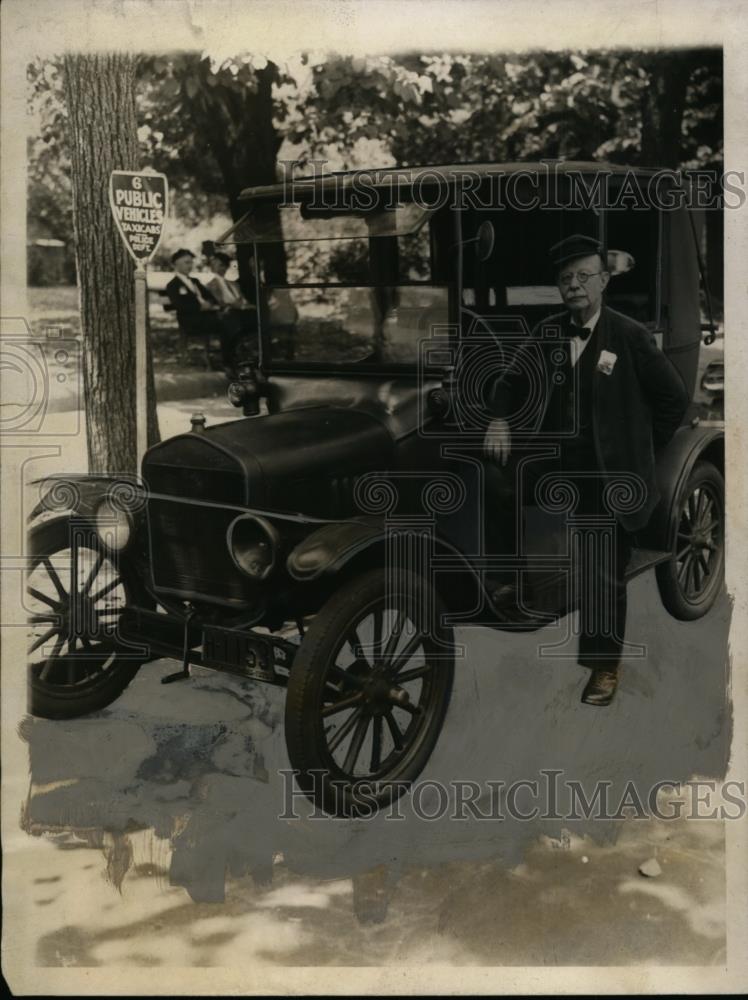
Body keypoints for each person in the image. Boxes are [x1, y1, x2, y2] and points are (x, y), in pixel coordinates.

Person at [484, 234, 689, 706]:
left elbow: (672, 399)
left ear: (602, 281)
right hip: (556, 459)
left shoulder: (630, 335)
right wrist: (499, 418)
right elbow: (510, 380)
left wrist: (639, 449)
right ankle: (515, 580)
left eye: (582, 276)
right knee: (493, 481)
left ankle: (603, 667)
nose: (573, 286)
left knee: (601, 565)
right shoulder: (549, 331)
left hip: (606, 472)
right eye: (564, 279)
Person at [165, 249, 236, 375]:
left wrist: (208, 303)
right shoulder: (173, 285)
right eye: (186, 263)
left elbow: (211, 297)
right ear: (176, 265)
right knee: (227, 323)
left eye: (191, 262)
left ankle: (231, 359)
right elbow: (180, 306)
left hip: (206, 316)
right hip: (190, 320)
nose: (190, 266)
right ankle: (228, 362)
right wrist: (200, 307)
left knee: (231, 321)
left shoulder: (195, 281)